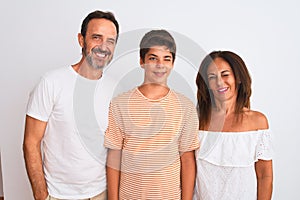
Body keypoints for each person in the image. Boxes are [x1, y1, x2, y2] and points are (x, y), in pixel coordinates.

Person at [23, 10, 119, 200]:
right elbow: (30, 143)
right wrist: (41, 195)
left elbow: (114, 148)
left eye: (110, 41)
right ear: (81, 40)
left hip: (100, 193)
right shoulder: (51, 82)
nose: (103, 47)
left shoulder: (115, 89)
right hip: (57, 195)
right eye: (96, 38)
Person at [104, 29, 199, 200]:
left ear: (173, 63)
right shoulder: (120, 103)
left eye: (166, 59)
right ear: (142, 61)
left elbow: (187, 159)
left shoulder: (186, 106)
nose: (160, 64)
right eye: (153, 58)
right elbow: (114, 156)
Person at [194, 50, 273, 200]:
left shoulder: (258, 121)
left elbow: (265, 175)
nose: (219, 82)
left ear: (238, 78)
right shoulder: (195, 121)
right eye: (212, 77)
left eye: (225, 74)